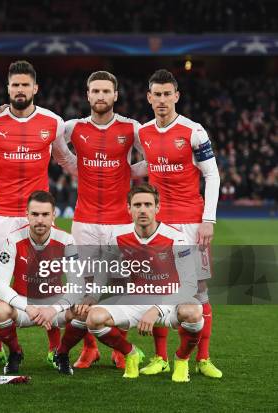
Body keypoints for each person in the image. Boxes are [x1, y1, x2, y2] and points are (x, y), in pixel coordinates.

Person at [0, 60, 78, 368]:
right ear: (8, 89)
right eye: (14, 85)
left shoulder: (53, 122)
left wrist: (94, 174)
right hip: (3, 212)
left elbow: (64, 159)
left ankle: (55, 347)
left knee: (48, 277)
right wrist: (4, 170)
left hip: (38, 212)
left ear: (35, 88)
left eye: (25, 85)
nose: (20, 90)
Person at [137, 69, 221, 378]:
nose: (161, 99)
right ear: (149, 98)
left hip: (189, 221)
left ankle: (203, 357)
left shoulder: (193, 131)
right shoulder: (143, 132)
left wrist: (207, 220)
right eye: (156, 94)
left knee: (199, 290)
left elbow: (212, 174)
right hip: (159, 225)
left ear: (176, 96)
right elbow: (147, 162)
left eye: (166, 94)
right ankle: (160, 358)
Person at [63, 71, 147, 369]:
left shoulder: (131, 128)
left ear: (115, 95)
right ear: (87, 95)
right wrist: (75, 166)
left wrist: (130, 171)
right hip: (84, 219)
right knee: (85, 283)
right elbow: (51, 143)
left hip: (120, 221)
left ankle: (117, 345)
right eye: (95, 91)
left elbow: (153, 155)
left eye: (106, 91)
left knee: (120, 283)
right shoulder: (73, 128)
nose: (100, 96)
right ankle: (89, 348)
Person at [85, 183, 204, 382]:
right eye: (137, 205)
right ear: (128, 208)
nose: (143, 210)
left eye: (148, 204)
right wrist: (93, 296)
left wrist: (156, 309)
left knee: (194, 312)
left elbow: (190, 285)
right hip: (136, 300)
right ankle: (130, 353)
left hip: (169, 302)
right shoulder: (118, 235)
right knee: (93, 319)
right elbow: (104, 270)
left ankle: (181, 359)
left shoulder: (176, 237)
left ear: (157, 208)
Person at [0, 190, 77, 374]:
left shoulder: (67, 240)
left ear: (54, 215)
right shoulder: (13, 239)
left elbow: (77, 286)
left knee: (84, 310)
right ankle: (15, 352)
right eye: (35, 214)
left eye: (45, 214)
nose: (40, 220)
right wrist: (28, 307)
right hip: (24, 307)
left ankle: (62, 353)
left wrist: (53, 309)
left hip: (54, 306)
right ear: (27, 215)